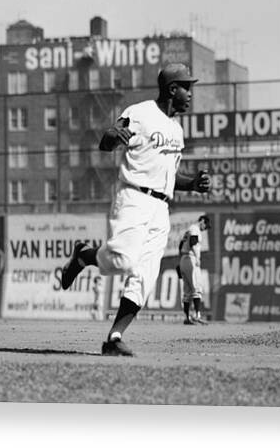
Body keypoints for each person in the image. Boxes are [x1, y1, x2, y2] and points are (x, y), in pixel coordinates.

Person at [60, 63, 211, 356]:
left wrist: (191, 182)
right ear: (172, 89)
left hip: (161, 208)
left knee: (145, 275)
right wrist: (112, 135)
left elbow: (168, 176)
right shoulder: (140, 113)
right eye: (186, 87)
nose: (190, 94)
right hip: (134, 198)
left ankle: (114, 338)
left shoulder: (177, 131)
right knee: (122, 261)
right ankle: (83, 256)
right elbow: (107, 143)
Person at [177, 215, 211, 325]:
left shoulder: (189, 230)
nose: (205, 228)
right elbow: (193, 241)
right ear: (202, 221)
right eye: (205, 225)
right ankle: (197, 315)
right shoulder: (195, 229)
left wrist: (181, 260)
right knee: (197, 289)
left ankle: (187, 318)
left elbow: (181, 245)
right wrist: (196, 257)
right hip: (191, 259)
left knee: (187, 291)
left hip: (184, 258)